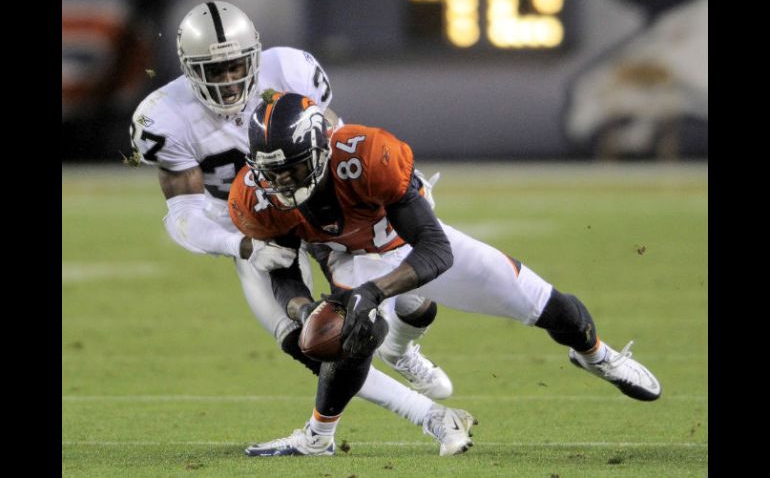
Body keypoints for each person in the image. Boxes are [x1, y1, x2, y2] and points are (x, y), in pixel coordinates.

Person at [228, 91, 662, 456]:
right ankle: (318, 436)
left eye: (295, 167)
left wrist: (374, 292)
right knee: (350, 334)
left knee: (555, 308)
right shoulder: (255, 197)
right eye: (273, 171)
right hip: (351, 258)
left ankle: (597, 356)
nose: (283, 181)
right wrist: (303, 311)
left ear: (320, 148)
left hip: (407, 244)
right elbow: (282, 271)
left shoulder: (365, 155)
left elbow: (435, 248)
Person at [128, 0, 469, 456]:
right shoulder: (165, 117)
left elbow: (333, 143)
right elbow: (184, 217)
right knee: (309, 338)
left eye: (235, 66)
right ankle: (429, 416)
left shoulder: (289, 68)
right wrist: (242, 244)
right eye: (215, 70)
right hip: (252, 221)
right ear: (189, 70)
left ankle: (404, 351)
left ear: (255, 56)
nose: (229, 80)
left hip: (317, 206)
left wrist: (390, 192)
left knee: (404, 294)